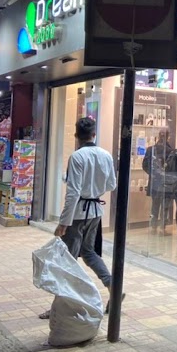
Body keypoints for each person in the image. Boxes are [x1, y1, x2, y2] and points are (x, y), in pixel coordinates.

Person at [41, 118, 119, 319]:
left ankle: (59, 307)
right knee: (89, 252)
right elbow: (111, 184)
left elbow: (73, 192)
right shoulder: (106, 155)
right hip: (95, 212)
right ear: (94, 134)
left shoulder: (77, 156)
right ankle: (113, 286)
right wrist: (94, 189)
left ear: (76, 136)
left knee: (67, 260)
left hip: (77, 215)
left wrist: (63, 222)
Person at [142, 130, 174, 235]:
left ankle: (153, 227)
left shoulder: (150, 149)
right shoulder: (170, 151)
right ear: (168, 137)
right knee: (165, 206)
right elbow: (172, 167)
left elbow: (145, 165)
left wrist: (153, 174)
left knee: (155, 205)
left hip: (154, 182)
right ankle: (162, 228)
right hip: (166, 182)